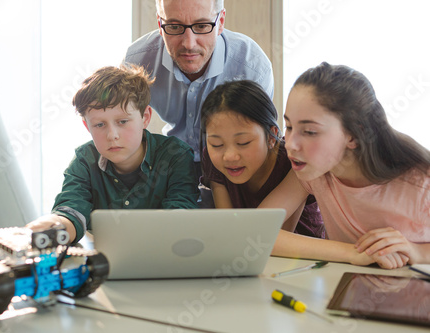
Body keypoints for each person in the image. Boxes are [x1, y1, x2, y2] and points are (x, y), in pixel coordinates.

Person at [259, 62, 430, 269]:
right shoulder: (313, 171)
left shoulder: (421, 182)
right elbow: (257, 232)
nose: (291, 144)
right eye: (289, 126)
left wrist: (416, 251)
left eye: (310, 132)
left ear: (353, 135)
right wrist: (352, 252)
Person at [27, 64, 199, 243]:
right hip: (105, 262)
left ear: (145, 118)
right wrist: (51, 226)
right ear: (87, 126)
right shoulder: (84, 160)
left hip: (163, 256)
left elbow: (181, 215)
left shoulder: (175, 155)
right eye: (99, 125)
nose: (112, 135)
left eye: (122, 121)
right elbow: (71, 211)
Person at [124, 0, 274, 179]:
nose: (189, 44)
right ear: (160, 24)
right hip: (167, 170)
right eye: (174, 26)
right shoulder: (137, 61)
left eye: (202, 26)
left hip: (231, 174)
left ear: (221, 22)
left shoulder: (252, 67)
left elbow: (263, 148)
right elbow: (121, 132)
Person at [200, 80, 324, 238]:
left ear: (272, 137)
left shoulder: (294, 158)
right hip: (245, 253)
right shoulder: (213, 160)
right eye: (216, 144)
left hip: (302, 256)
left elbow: (267, 237)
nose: (229, 156)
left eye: (243, 143)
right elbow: (230, 230)